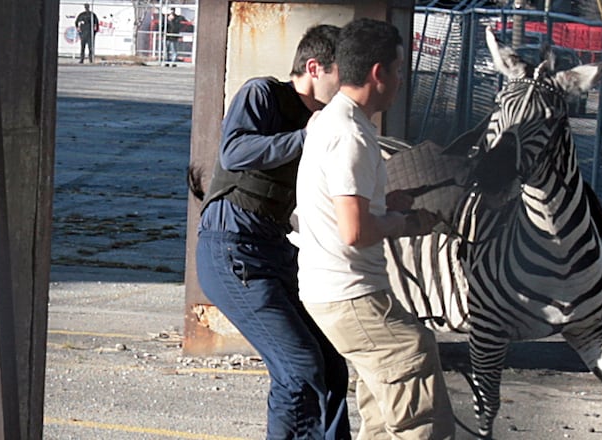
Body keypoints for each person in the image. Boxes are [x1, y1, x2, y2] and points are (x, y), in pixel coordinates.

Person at [296, 18, 455, 439]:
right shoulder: (351, 135)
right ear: (378, 73)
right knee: (414, 366)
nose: (402, 80)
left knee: (383, 409)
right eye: (399, 69)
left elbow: (345, 206)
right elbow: (355, 230)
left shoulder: (334, 122)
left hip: (333, 291)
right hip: (350, 292)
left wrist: (389, 202)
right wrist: (404, 222)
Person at [195, 24, 350, 440]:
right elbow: (235, 150)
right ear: (314, 67)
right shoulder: (263, 94)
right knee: (299, 367)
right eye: (343, 73)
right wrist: (305, 137)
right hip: (233, 250)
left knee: (331, 363)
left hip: (275, 250)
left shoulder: (323, 122)